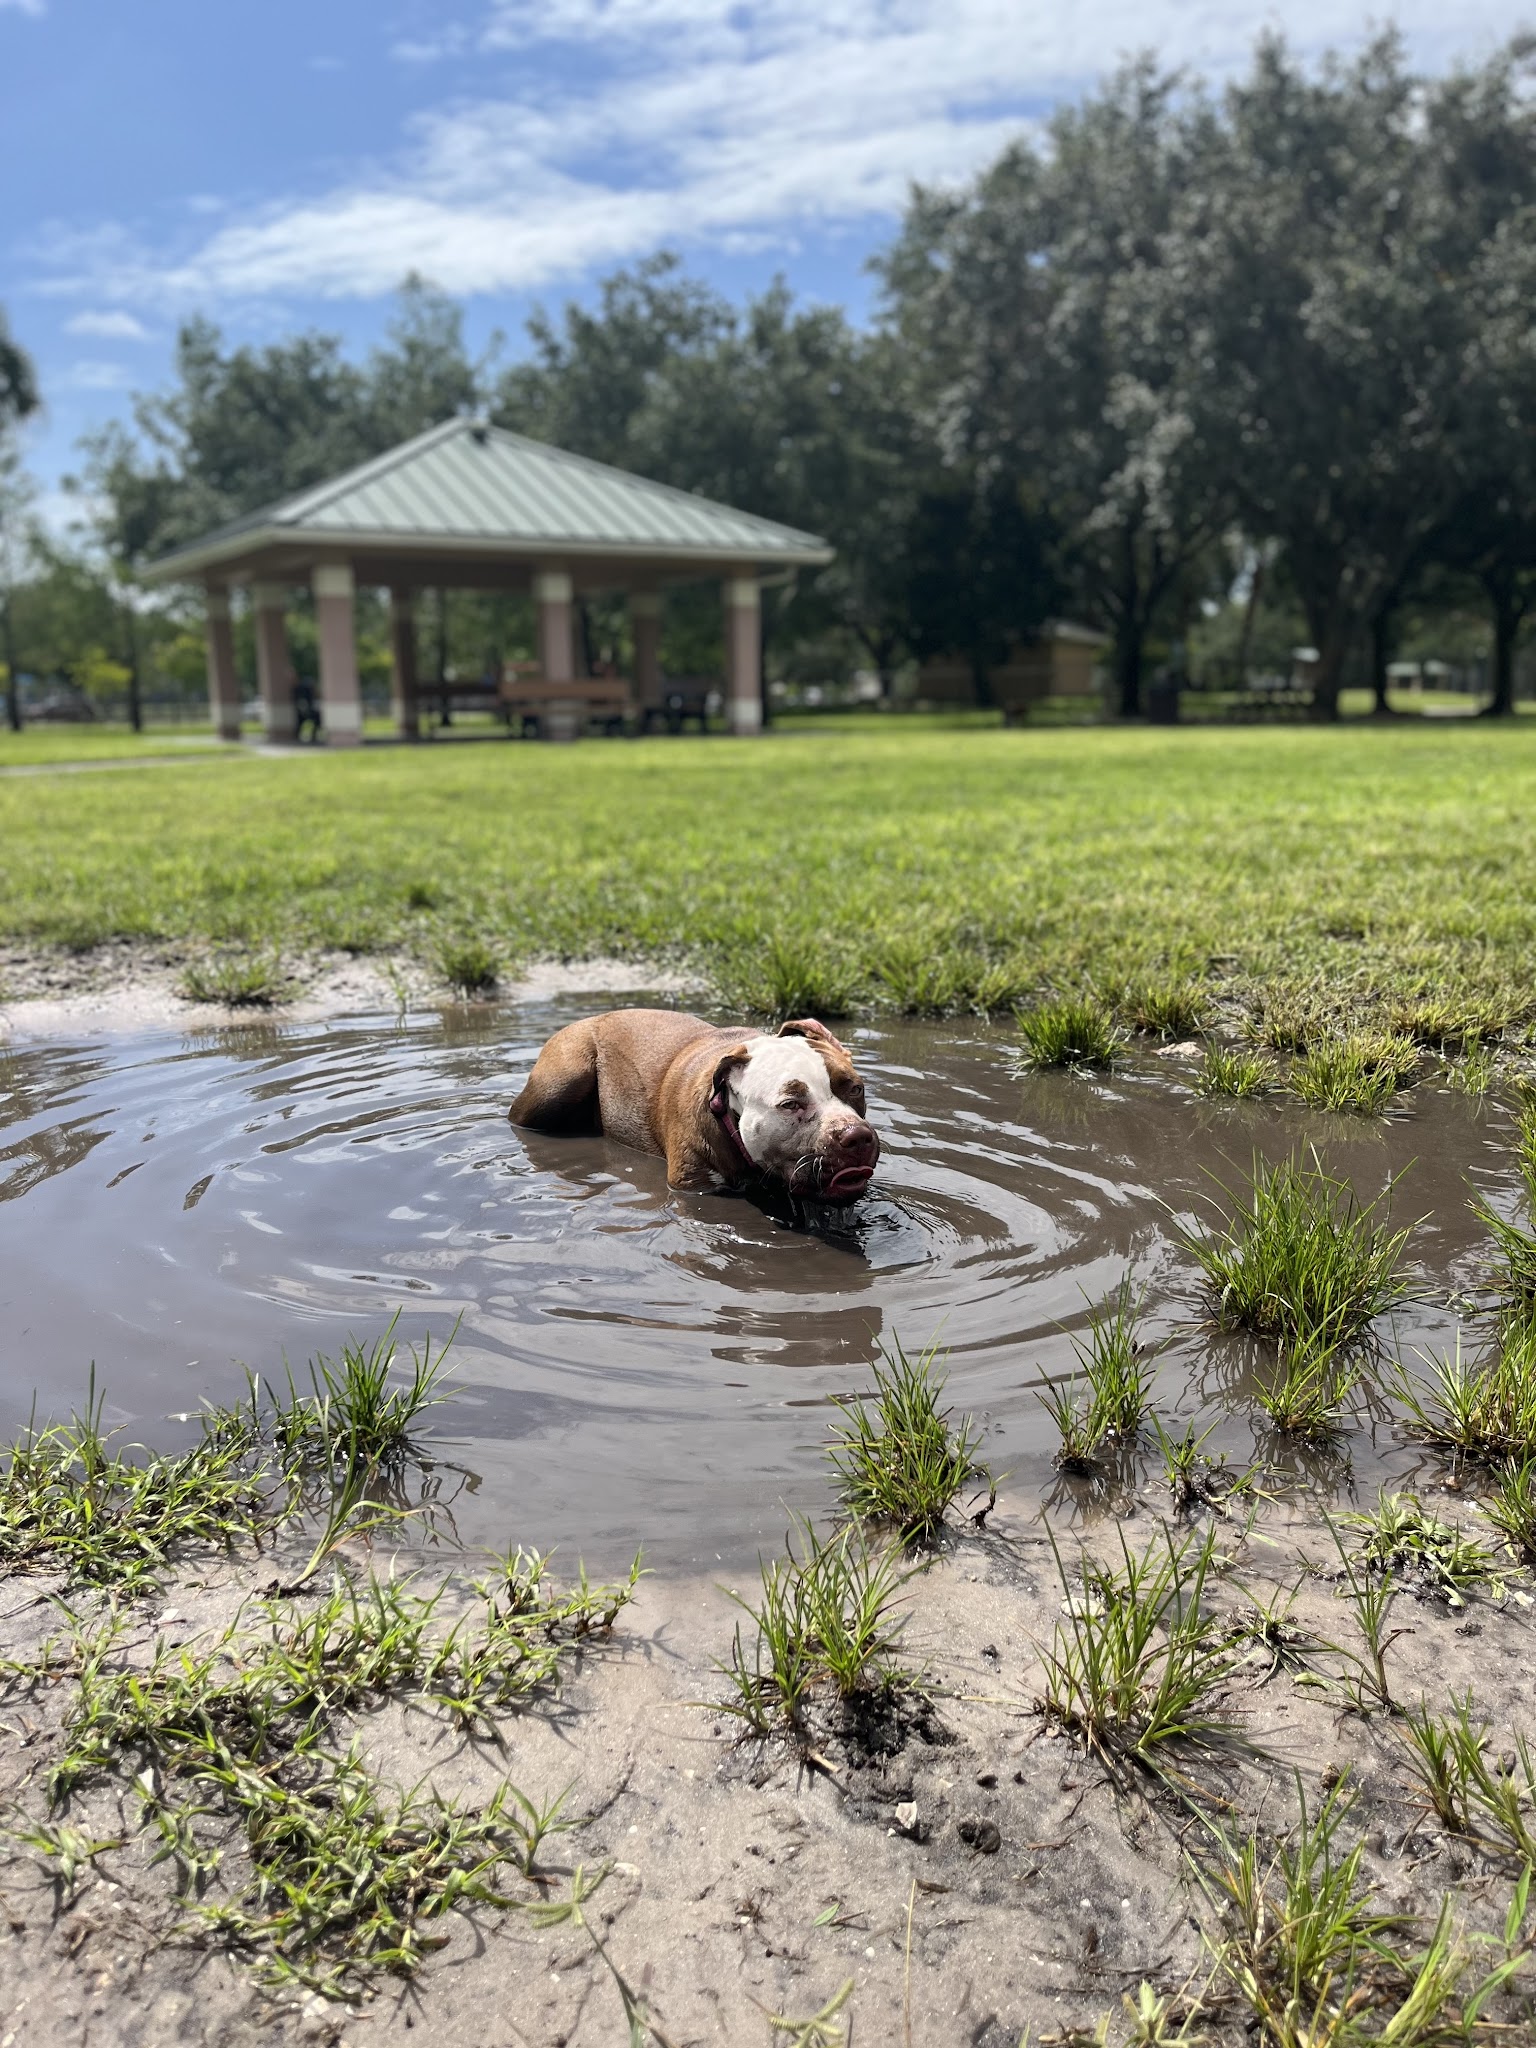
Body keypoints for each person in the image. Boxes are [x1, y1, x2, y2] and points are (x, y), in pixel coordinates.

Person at [293, 674, 321, 743]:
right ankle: (311, 735)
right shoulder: (304, 691)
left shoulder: (300, 689)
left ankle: (313, 735)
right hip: (304, 710)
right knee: (302, 723)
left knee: (316, 720)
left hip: (306, 710)